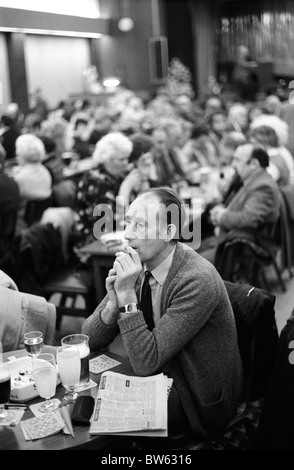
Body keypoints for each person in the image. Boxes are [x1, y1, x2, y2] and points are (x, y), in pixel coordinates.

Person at [82, 187, 243, 438]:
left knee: (107, 421)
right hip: (161, 369)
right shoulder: (140, 263)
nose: (127, 234)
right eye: (128, 223)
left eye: (141, 225)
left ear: (170, 232)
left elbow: (146, 362)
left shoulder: (195, 279)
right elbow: (88, 339)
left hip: (196, 394)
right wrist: (114, 303)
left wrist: (127, 297)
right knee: (88, 399)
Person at [198, 143, 281, 280]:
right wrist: (222, 210)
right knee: (188, 247)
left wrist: (221, 216)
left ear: (253, 163)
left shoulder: (262, 186)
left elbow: (248, 218)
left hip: (239, 246)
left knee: (186, 263)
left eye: (237, 160)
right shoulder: (253, 180)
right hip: (230, 239)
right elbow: (241, 209)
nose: (233, 164)